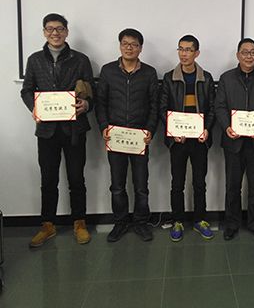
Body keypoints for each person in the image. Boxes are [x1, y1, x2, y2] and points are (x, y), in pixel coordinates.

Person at [21, 13, 94, 247]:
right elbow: (26, 90)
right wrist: (34, 107)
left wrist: (86, 105)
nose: (55, 33)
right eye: (50, 29)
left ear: (66, 32)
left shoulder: (80, 59)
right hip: (47, 130)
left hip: (75, 129)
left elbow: (91, 90)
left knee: (76, 178)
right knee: (48, 178)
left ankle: (79, 223)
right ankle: (48, 225)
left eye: (60, 28)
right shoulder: (34, 60)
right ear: (44, 32)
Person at [96, 28, 158, 242]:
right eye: (125, 43)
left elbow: (154, 106)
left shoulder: (149, 73)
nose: (129, 48)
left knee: (141, 186)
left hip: (140, 138)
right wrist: (104, 126)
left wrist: (150, 130)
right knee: (117, 185)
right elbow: (100, 103)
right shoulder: (108, 71)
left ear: (140, 48)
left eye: (134, 44)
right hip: (115, 137)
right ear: (120, 46)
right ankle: (120, 222)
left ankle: (141, 222)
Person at [215, 38, 254, 241]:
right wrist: (227, 126)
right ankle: (231, 224)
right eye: (245, 52)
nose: (249, 56)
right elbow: (219, 106)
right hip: (233, 142)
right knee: (232, 186)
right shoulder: (226, 78)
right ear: (238, 55)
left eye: (253, 52)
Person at [159, 34, 216, 241]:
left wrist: (207, 129)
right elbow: (163, 108)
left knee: (200, 182)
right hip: (178, 140)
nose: (184, 54)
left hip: (200, 140)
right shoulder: (169, 78)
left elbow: (212, 109)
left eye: (188, 50)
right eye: (181, 49)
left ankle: (200, 220)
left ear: (196, 53)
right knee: (177, 183)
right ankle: (178, 221)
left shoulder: (206, 78)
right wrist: (173, 132)